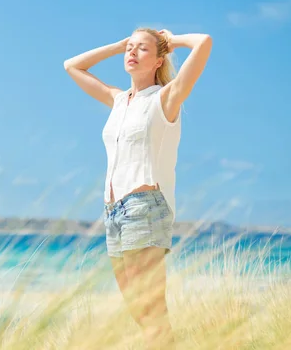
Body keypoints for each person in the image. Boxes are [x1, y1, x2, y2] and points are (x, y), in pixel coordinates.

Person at [63, 27, 212, 349]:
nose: (132, 53)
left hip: (145, 205)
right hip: (113, 211)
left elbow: (204, 42)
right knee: (137, 307)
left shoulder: (165, 98)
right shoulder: (118, 101)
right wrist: (119, 45)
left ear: (160, 60)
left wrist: (172, 42)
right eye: (130, 48)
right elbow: (71, 66)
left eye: (142, 49)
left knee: (151, 307)